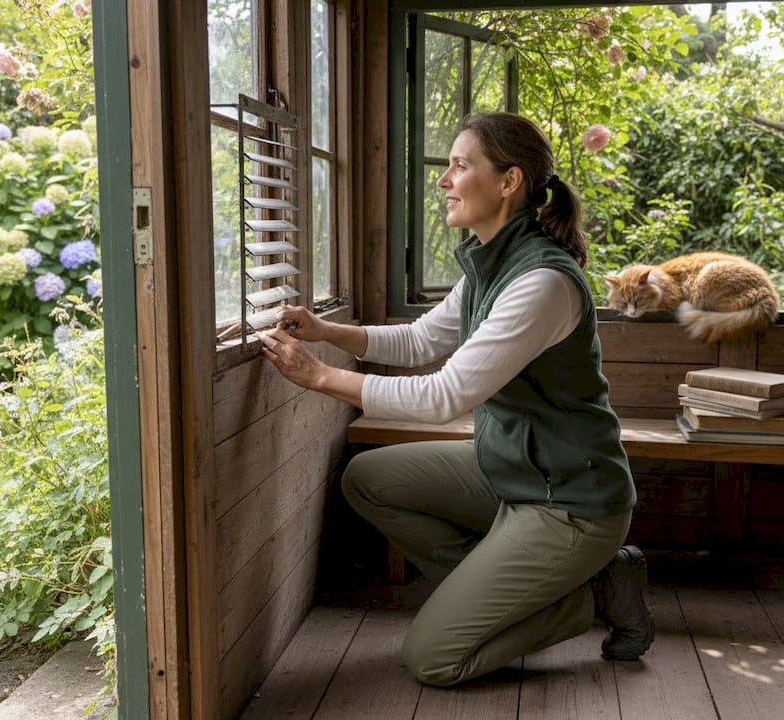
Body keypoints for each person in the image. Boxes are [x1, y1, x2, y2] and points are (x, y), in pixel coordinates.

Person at [256, 112, 653, 687]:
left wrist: (319, 377)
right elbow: (421, 340)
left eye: (460, 166)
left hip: (569, 502)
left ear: (508, 181)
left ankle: (593, 595)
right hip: (512, 472)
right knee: (367, 479)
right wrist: (325, 331)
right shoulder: (491, 262)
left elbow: (443, 396)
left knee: (435, 658)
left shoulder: (541, 282)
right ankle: (512, 586)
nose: (444, 180)